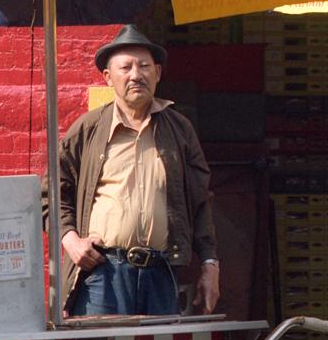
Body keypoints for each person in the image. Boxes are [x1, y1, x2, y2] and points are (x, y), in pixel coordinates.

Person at [55, 25, 221, 317]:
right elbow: (53, 191)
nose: (136, 75)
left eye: (145, 66)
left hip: (161, 272)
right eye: (126, 67)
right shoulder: (88, 129)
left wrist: (210, 264)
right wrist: (70, 239)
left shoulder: (179, 129)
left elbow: (200, 201)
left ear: (157, 73)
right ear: (108, 77)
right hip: (103, 273)